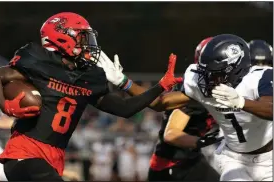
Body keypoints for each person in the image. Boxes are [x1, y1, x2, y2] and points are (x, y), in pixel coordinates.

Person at [0, 12, 180, 181]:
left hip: (54, 157)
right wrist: (5, 106)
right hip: (24, 152)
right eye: (82, 37)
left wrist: (160, 86)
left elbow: (124, 108)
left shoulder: (89, 77)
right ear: (62, 37)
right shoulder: (37, 60)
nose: (88, 44)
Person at [99, 34, 273, 181]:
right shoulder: (200, 84)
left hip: (268, 158)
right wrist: (124, 82)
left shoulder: (258, 79)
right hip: (233, 158)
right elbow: (160, 103)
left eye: (214, 74)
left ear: (234, 71)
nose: (207, 80)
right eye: (205, 73)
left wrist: (241, 102)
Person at [100, 37, 221, 181]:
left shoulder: (225, 88)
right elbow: (170, 132)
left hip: (192, 159)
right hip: (172, 166)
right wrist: (211, 140)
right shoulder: (197, 91)